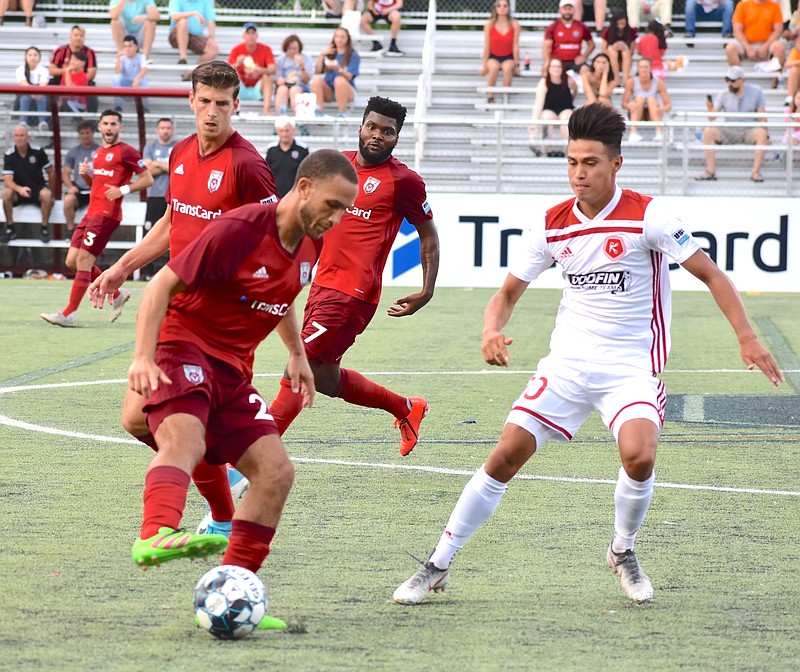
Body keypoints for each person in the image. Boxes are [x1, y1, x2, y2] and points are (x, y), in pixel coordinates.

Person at [392, 102, 784, 608]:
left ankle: (622, 549)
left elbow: (712, 275)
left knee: (640, 455)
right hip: (567, 365)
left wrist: (746, 336)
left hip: (630, 368)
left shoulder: (650, 215)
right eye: (573, 162)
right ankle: (437, 564)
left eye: (591, 163)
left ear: (615, 164)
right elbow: (508, 293)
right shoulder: (552, 223)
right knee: (504, 455)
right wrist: (491, 328)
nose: (580, 173)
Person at [127, 149, 359, 582]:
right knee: (186, 439)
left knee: (276, 472)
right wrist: (142, 355)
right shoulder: (241, 229)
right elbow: (160, 286)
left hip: (233, 370)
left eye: (344, 210)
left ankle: (232, 587)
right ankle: (154, 533)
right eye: (332, 205)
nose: (337, 218)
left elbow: (284, 293)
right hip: (183, 347)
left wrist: (296, 353)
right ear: (304, 188)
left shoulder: (311, 243)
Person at [88, 61, 279, 539]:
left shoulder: (248, 166)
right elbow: (174, 224)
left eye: (222, 103)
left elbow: (274, 244)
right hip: (177, 310)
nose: (212, 112)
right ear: (191, 101)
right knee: (137, 420)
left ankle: (215, 510)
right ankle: (221, 508)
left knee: (166, 425)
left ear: (236, 105)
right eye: (204, 101)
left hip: (219, 324)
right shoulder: (179, 153)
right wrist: (122, 266)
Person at [268, 96, 439, 459]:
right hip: (321, 288)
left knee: (295, 370)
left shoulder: (404, 181)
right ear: (361, 126)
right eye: (373, 127)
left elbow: (428, 235)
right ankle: (407, 408)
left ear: (397, 138)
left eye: (388, 132)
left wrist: (427, 290)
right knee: (327, 378)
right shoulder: (336, 165)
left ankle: (246, 459)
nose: (378, 136)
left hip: (352, 296)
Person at [41, 109, 153, 328]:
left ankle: (68, 314)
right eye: (106, 124)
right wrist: (85, 175)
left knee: (83, 261)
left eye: (113, 124)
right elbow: (99, 185)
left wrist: (123, 190)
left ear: (120, 127)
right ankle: (117, 293)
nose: (109, 128)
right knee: (72, 261)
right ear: (99, 127)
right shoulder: (98, 153)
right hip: (91, 212)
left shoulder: (127, 152)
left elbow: (147, 179)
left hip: (106, 215)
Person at [695, 65, 769, 182]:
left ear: (742, 80)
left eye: (733, 80)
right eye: (728, 80)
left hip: (749, 130)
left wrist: (766, 135)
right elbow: (712, 117)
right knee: (709, 131)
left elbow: (762, 116)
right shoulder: (723, 94)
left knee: (762, 133)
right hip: (729, 130)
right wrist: (709, 107)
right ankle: (710, 171)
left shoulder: (756, 91)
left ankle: (755, 172)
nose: (730, 83)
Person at [1, 124, 53, 244]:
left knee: (47, 195)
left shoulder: (38, 151)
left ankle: (44, 229)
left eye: (22, 135)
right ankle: (10, 228)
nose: (19, 138)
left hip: (37, 188)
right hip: (18, 191)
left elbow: (51, 172)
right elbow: (8, 180)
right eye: (17, 136)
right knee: (6, 193)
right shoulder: (9, 155)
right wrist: (19, 189)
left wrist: (52, 191)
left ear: (28, 137)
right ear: (14, 137)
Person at [529, 58, 576, 156]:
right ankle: (544, 150)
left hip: (565, 109)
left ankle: (566, 151)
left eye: (558, 66)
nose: (556, 69)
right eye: (553, 66)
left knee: (566, 118)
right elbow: (538, 103)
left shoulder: (568, 80)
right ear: (549, 69)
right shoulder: (544, 82)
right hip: (549, 109)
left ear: (562, 68)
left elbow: (575, 90)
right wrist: (534, 122)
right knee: (546, 118)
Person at [227, 23, 275, 117]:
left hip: (258, 87)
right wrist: (237, 64)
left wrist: (259, 70)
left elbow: (272, 69)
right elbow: (226, 70)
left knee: (267, 76)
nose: (251, 36)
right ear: (243, 36)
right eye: (248, 33)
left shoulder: (265, 49)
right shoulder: (236, 50)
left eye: (253, 33)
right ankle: (233, 110)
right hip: (241, 88)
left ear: (257, 36)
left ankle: (266, 112)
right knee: (232, 75)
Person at [62, 119, 100, 238]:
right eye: (82, 133)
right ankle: (70, 231)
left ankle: (95, 234)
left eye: (87, 133)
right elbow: (65, 173)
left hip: (95, 189)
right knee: (68, 200)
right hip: (80, 190)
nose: (85, 136)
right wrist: (70, 186)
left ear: (92, 133)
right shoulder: (74, 152)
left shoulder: (100, 151)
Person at [311, 27, 360, 117]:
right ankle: (318, 110)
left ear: (347, 39)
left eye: (342, 37)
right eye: (337, 36)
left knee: (339, 80)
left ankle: (342, 112)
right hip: (330, 90)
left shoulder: (353, 55)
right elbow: (318, 71)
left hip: (347, 90)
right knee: (316, 80)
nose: (339, 39)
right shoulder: (329, 52)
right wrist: (321, 55)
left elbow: (350, 76)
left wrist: (338, 69)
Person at [48, 25, 98, 112]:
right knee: (49, 87)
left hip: (83, 80)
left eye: (81, 36)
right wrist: (68, 71)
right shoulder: (60, 50)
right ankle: (49, 116)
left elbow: (91, 73)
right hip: (61, 79)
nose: (78, 38)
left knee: (92, 91)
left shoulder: (90, 52)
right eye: (76, 35)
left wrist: (78, 78)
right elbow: (52, 69)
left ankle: (91, 118)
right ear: (70, 36)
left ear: (84, 38)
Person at [480, 0, 521, 104]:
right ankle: (490, 96)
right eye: (499, 6)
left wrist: (517, 64)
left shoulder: (514, 24)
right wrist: (484, 65)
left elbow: (515, 45)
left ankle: (505, 97)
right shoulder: (490, 24)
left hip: (508, 56)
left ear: (508, 8)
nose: (502, 8)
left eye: (505, 6)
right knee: (493, 67)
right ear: (496, 8)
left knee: (507, 68)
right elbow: (487, 45)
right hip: (493, 56)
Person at [142, 117, 176, 241]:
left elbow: (179, 169)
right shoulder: (149, 148)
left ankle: (170, 260)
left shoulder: (178, 147)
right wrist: (168, 166)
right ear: (157, 130)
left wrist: (156, 164)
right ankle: (148, 260)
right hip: (154, 195)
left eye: (168, 128)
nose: (165, 131)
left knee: (172, 229)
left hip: (173, 196)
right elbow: (147, 171)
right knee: (149, 228)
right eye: (162, 128)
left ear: (172, 130)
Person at [725, 0, 785, 69]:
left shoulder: (775, 6)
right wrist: (748, 49)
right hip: (746, 44)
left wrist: (765, 47)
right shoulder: (742, 5)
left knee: (780, 47)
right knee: (730, 48)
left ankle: (777, 78)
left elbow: (778, 30)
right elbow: (737, 30)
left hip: (768, 44)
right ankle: (737, 78)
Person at [622, 57, 671, 142]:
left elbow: (668, 104)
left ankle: (659, 132)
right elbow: (624, 103)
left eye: (646, 67)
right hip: (637, 112)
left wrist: (663, 108)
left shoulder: (658, 82)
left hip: (653, 113)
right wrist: (630, 105)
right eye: (641, 67)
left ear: (650, 68)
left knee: (651, 100)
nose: (643, 69)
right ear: (638, 69)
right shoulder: (632, 82)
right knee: (639, 99)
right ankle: (633, 133)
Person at [168, 0, 219, 79]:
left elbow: (211, 20)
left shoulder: (204, 2)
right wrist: (193, 13)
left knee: (213, 49)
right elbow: (174, 17)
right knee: (183, 21)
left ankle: (192, 72)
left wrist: (211, 38)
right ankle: (183, 56)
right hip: (176, 36)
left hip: (195, 37)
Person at [543, 0, 595, 76]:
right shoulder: (553, 27)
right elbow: (546, 46)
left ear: (574, 10)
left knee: (586, 70)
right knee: (550, 71)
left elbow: (591, 44)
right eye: (565, 9)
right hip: (558, 60)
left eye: (570, 9)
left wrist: (583, 57)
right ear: (560, 10)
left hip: (575, 61)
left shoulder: (581, 26)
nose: (567, 11)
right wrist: (547, 61)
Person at [266, 116, 309, 198]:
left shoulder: (303, 149)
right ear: (277, 132)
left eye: (287, 130)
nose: (284, 134)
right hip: (276, 195)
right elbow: (267, 173)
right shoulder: (271, 149)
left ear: (293, 131)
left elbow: (306, 173)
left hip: (296, 196)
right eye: (281, 131)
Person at [273, 34, 313, 116]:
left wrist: (302, 66)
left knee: (294, 90)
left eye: (295, 48)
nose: (293, 51)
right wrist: (279, 80)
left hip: (301, 87)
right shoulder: (280, 60)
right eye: (290, 48)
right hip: (284, 86)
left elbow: (306, 80)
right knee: (282, 90)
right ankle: (280, 120)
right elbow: (276, 78)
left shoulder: (306, 58)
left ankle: (300, 121)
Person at [15, 46, 49, 131]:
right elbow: (23, 83)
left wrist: (37, 92)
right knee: (25, 98)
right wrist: (32, 92)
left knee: (42, 98)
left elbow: (43, 85)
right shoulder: (20, 69)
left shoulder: (44, 70)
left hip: (39, 94)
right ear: (26, 57)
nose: (33, 57)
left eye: (35, 55)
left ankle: (42, 123)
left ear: (39, 57)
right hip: (26, 93)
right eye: (30, 55)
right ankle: (23, 122)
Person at [113, 34, 150, 112]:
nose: (127, 49)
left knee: (144, 79)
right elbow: (117, 72)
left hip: (137, 82)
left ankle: (144, 106)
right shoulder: (121, 58)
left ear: (136, 47)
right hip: (125, 82)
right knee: (116, 78)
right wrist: (118, 58)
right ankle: (118, 106)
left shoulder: (141, 57)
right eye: (125, 46)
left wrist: (136, 79)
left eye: (130, 46)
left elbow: (145, 69)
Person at [601, 12, 637, 86]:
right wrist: (614, 47)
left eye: (623, 23)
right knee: (612, 50)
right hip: (612, 59)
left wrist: (624, 47)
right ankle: (616, 78)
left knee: (626, 52)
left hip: (625, 60)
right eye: (618, 24)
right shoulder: (608, 31)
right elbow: (603, 50)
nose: (621, 26)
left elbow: (631, 51)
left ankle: (625, 79)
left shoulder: (631, 31)